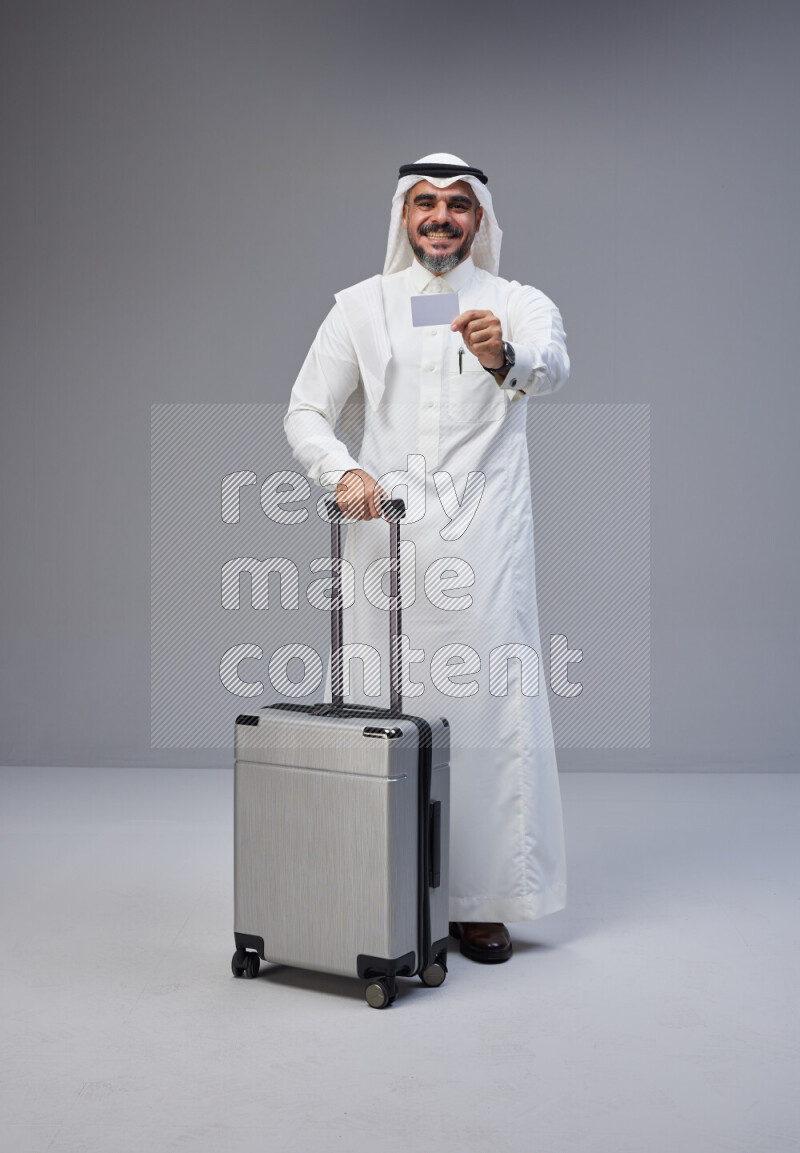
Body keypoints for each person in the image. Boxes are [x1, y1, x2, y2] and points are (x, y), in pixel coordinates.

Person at [284, 153, 569, 963]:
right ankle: (379, 880)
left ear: (479, 219)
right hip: (388, 538)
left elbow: (553, 370)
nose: (440, 217)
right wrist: (341, 469)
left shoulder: (517, 303)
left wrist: (502, 355)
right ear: (404, 217)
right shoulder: (361, 307)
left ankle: (480, 902)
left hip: (486, 538)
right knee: (382, 704)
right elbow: (307, 409)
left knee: (485, 715)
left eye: (456, 205)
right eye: (425, 204)